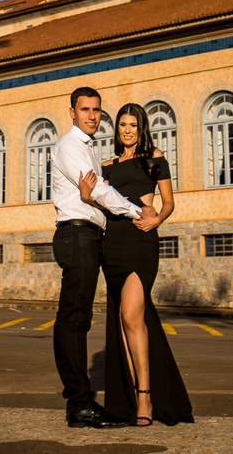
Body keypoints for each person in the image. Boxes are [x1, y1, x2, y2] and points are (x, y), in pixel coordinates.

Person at [79, 102, 193, 427]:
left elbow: (169, 201)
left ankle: (144, 395)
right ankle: (131, 397)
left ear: (141, 127)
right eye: (122, 125)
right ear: (117, 130)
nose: (127, 130)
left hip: (141, 241)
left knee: (130, 315)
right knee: (125, 320)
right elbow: (103, 204)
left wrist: (157, 220)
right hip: (111, 243)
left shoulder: (155, 158)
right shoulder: (107, 165)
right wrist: (87, 196)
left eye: (133, 125)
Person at [51, 86, 151, 429]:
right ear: (72, 112)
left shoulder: (90, 152)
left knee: (79, 318)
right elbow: (98, 191)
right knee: (74, 318)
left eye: (96, 110)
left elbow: (95, 194)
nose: (92, 116)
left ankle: (80, 401)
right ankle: (79, 403)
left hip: (90, 235)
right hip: (77, 234)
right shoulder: (70, 147)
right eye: (85, 110)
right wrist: (136, 211)